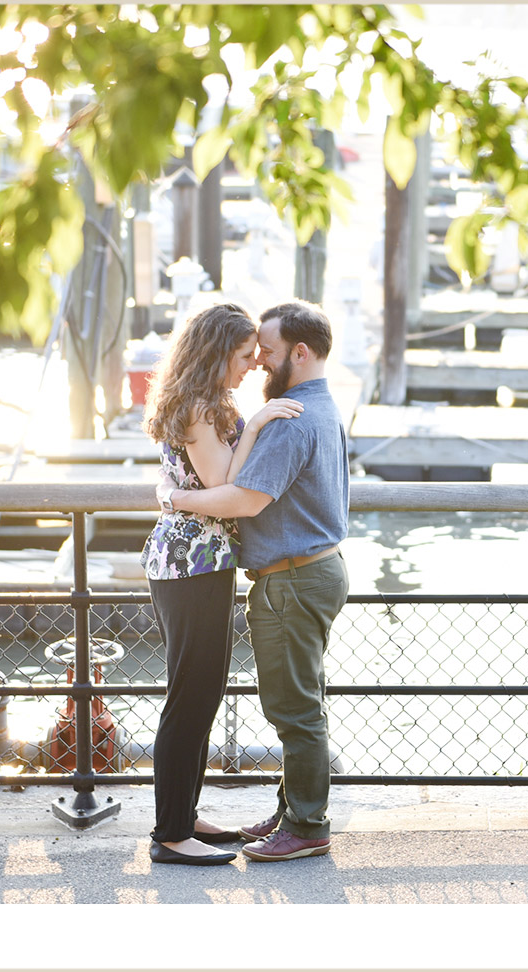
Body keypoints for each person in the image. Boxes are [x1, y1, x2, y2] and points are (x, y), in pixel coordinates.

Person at [161, 299, 350, 863]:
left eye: (264, 353)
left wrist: (174, 498)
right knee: (301, 700)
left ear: (299, 352)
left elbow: (242, 497)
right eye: (251, 354)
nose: (259, 365)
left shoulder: (290, 419)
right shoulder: (319, 408)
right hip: (308, 571)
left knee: (294, 709)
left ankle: (306, 824)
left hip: (292, 579)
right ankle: (294, 809)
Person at [140, 302, 304, 866]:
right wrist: (257, 423)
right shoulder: (196, 408)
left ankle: (183, 815)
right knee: (190, 696)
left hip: (198, 561)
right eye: (242, 356)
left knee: (201, 693)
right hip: (191, 565)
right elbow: (223, 479)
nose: (253, 365)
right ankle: (169, 834)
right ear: (215, 355)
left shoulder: (206, 404)